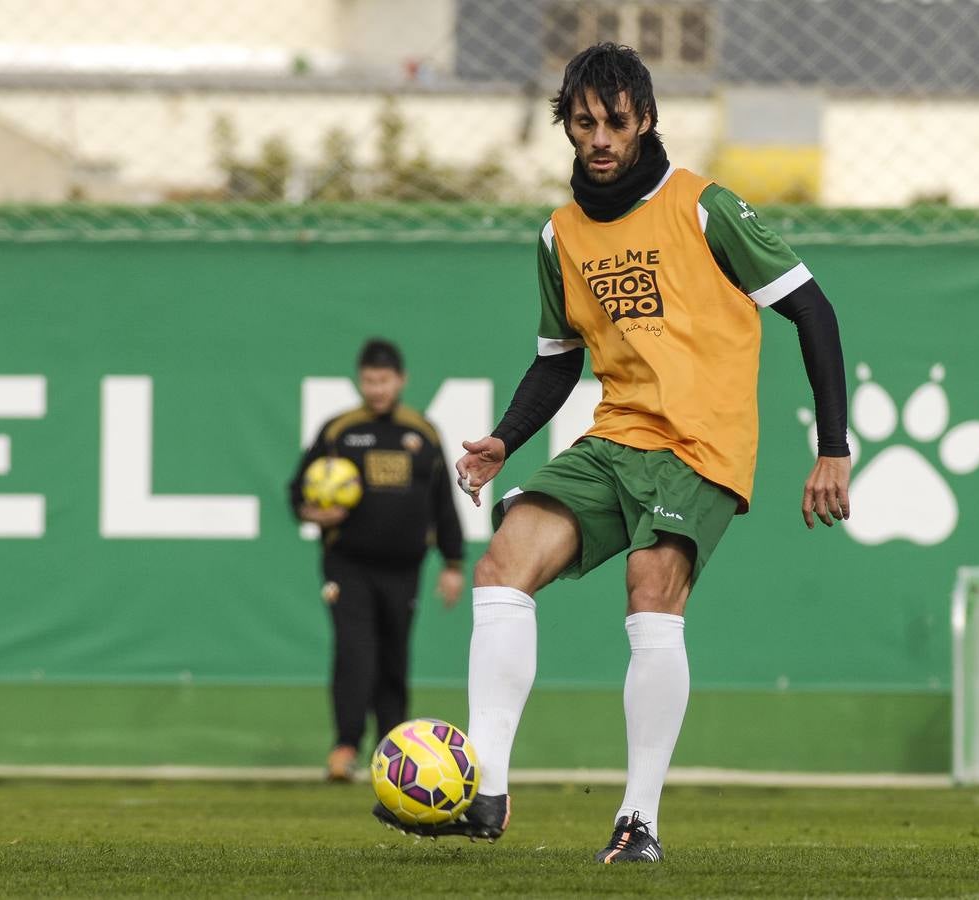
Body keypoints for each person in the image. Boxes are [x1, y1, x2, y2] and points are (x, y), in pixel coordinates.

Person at [372, 43, 851, 861]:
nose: (599, 137)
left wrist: (832, 446)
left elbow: (813, 311)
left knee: (649, 585)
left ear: (646, 120)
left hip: (703, 446)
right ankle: (484, 789)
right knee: (502, 565)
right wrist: (504, 440)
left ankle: (639, 822)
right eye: (584, 122)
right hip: (615, 437)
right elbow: (559, 359)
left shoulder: (705, 206)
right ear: (567, 126)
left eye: (615, 122)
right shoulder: (560, 235)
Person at [289, 338, 465, 781]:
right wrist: (314, 512)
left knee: (394, 658)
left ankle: (392, 753)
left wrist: (453, 563)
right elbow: (296, 493)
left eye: (384, 380)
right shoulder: (339, 431)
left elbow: (443, 502)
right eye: (369, 380)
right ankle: (345, 747)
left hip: (404, 568)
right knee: (354, 652)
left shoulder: (422, 433)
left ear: (401, 380)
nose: (377, 389)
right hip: (347, 565)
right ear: (360, 380)